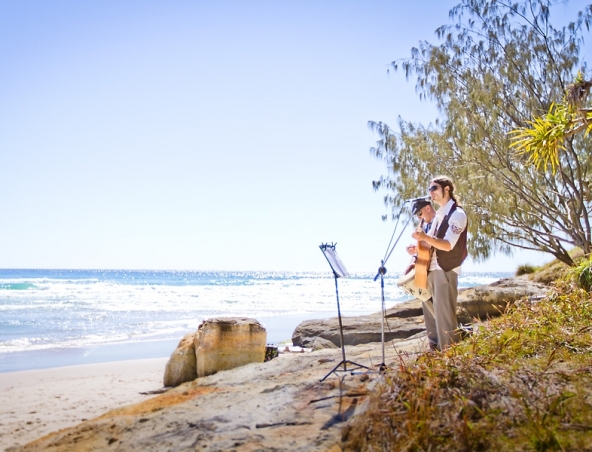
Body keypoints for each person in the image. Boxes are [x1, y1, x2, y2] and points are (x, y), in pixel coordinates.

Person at [411, 176, 468, 350]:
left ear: (447, 189)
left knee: (445, 320)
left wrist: (426, 237)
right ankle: (436, 355)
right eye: (429, 189)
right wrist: (418, 248)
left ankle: (451, 360)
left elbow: (448, 244)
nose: (431, 193)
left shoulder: (457, 214)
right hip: (431, 270)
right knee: (432, 317)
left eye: (434, 188)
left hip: (445, 270)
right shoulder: (439, 216)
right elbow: (431, 243)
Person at [404, 199, 436, 274]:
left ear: (428, 208)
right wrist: (412, 261)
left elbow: (439, 243)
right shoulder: (424, 227)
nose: (418, 217)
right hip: (428, 271)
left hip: (440, 269)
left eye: (419, 213)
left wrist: (419, 247)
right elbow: (423, 249)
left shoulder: (440, 221)